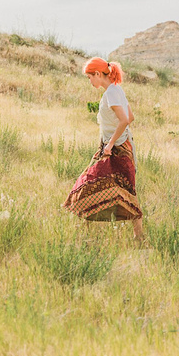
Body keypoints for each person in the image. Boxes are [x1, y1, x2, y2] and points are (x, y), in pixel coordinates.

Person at [62, 57, 143, 240]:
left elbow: (124, 120)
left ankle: (84, 235)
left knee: (87, 186)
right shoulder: (116, 90)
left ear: (98, 74)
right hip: (123, 146)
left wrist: (110, 143)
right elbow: (130, 117)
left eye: (90, 77)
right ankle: (138, 238)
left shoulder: (110, 94)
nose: (89, 81)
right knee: (124, 190)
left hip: (115, 150)